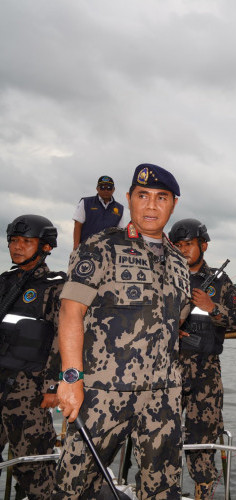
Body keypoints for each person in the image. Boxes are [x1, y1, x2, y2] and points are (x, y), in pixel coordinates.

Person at [53, 164, 191, 499]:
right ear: (128, 199)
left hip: (164, 396)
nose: (151, 205)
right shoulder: (100, 246)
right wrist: (71, 377)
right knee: (75, 486)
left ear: (173, 204)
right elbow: (71, 312)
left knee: (162, 488)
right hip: (103, 392)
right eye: (143, 196)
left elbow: (177, 320)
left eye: (161, 198)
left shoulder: (179, 261)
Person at [168, 219, 236, 499]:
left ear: (203, 245)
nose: (182, 250)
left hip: (206, 373)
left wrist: (213, 307)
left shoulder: (220, 281)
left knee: (202, 439)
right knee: (161, 438)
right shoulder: (163, 278)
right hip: (167, 372)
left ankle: (204, 490)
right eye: (177, 246)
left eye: (188, 244)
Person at [0, 215, 64, 498]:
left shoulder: (55, 287)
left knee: (33, 465)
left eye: (26, 241)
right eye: (14, 240)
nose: (17, 246)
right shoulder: (5, 283)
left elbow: (63, 339)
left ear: (46, 247)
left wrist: (52, 386)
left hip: (29, 391)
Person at [72, 175, 127, 250]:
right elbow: (78, 225)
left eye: (109, 188)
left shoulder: (120, 208)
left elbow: (120, 232)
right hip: (85, 249)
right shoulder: (85, 202)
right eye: (102, 187)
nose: (106, 190)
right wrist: (75, 248)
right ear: (97, 189)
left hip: (108, 252)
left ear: (113, 189)